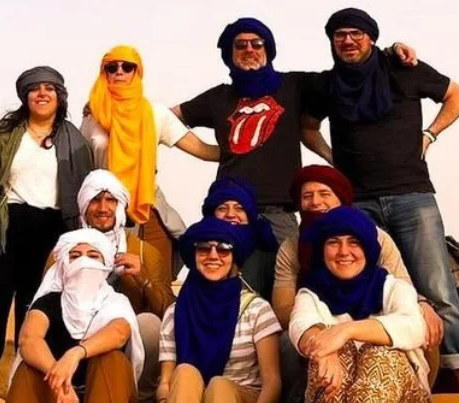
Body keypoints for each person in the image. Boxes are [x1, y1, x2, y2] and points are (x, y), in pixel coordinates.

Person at [301, 8, 459, 396]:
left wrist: (430, 134)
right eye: (340, 35)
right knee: (371, 290)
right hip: (358, 202)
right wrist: (333, 159)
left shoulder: (402, 67)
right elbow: (307, 127)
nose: (348, 41)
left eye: (356, 34)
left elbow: (457, 96)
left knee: (440, 289)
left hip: (412, 195)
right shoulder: (327, 85)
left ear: (371, 37)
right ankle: (389, 388)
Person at [175, 17, 416, 243]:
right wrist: (208, 151)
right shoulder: (217, 97)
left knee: (289, 277)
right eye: (240, 45)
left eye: (257, 43)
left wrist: (389, 51)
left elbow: (350, 71)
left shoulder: (294, 86)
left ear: (267, 49)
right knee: (226, 278)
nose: (249, 49)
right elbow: (164, 118)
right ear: (230, 53)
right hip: (230, 208)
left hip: (280, 211)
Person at [0, 66, 95, 403]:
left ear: (60, 96)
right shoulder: (3, 133)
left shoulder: (75, 141)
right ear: (25, 96)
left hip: (53, 232)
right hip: (1, 227)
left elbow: (84, 194)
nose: (42, 94)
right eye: (35, 89)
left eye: (50, 88)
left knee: (37, 323)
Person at [272, 166, 444, 403]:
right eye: (307, 196)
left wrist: (422, 305)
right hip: (318, 323)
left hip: (375, 319)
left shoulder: (376, 238)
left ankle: (419, 401)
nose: (316, 202)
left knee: (425, 326)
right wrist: (323, 330)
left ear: (341, 198)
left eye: (324, 193)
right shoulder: (291, 249)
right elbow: (284, 312)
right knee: (289, 341)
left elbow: (401, 285)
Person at [289, 207, 437, 403]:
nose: (344, 251)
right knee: (328, 352)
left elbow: (414, 327)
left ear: (368, 248)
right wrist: (325, 349)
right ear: (323, 250)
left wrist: (347, 331)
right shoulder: (310, 294)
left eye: (353, 242)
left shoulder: (394, 288)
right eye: (333, 242)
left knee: (382, 351)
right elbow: (300, 326)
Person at [0, 229, 143, 403]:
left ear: (106, 265)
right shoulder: (49, 302)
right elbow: (29, 339)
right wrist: (59, 380)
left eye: (93, 256)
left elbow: (119, 332)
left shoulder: (115, 302)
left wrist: (75, 354)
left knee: (113, 359)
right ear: (63, 263)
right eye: (75, 256)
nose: (84, 262)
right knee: (28, 368)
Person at [157, 218, 282, 403]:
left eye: (223, 249)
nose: (213, 255)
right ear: (194, 256)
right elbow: (166, 381)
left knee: (219, 384)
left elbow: (272, 380)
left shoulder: (256, 309)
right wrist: (168, 400)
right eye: (204, 249)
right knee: (186, 371)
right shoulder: (175, 313)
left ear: (234, 256)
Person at [81, 44, 220, 274]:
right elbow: (83, 170)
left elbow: (203, 151)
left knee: (158, 276)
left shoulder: (156, 114)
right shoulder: (92, 116)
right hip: (104, 211)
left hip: (147, 206)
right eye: (111, 67)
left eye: (127, 66)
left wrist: (244, 149)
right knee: (111, 282)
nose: (119, 72)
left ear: (137, 72)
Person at [48, 169, 175, 403]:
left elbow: (168, 311)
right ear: (84, 205)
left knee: (149, 324)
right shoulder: (66, 248)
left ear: (120, 205)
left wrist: (142, 278)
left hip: (124, 338)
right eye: (95, 199)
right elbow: (46, 301)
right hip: (75, 334)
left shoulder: (143, 251)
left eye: (110, 200)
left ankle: (140, 402)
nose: (103, 208)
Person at [200, 176, 280, 297]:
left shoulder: (266, 255)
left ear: (249, 215)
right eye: (222, 208)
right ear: (212, 214)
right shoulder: (200, 249)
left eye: (240, 209)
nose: (231, 214)